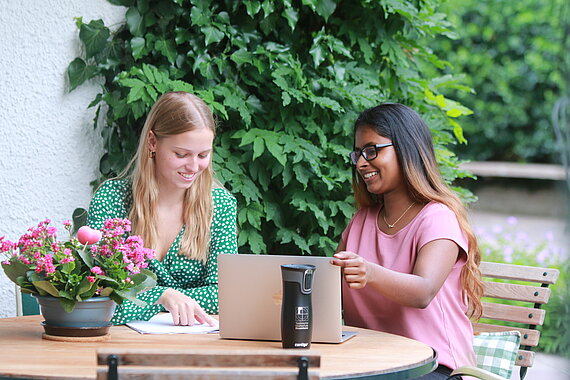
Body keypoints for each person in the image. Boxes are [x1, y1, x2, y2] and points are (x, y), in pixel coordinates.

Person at [331, 103, 484, 379]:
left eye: (372, 150)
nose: (362, 162)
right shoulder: (360, 222)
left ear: (407, 148)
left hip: (435, 367)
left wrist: (370, 272)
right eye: (358, 154)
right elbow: (330, 292)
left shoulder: (437, 218)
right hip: (367, 364)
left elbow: (423, 292)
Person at [87, 91, 238, 326]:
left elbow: (227, 294)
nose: (194, 166)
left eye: (203, 155)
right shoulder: (112, 198)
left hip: (197, 347)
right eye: (181, 154)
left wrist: (153, 300)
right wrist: (161, 297)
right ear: (152, 142)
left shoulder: (220, 205)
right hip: (120, 345)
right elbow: (97, 292)